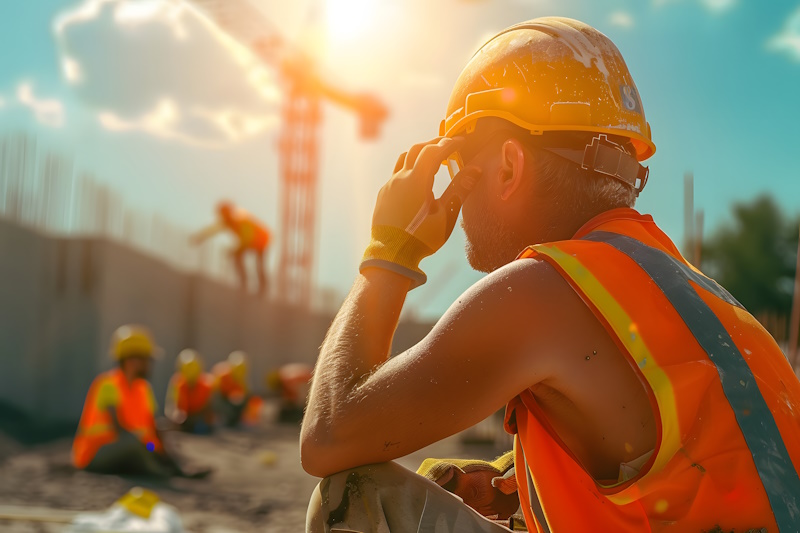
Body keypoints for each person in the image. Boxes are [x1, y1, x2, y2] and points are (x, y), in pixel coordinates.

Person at [301, 17, 800, 533]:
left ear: (509, 167)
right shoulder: (690, 291)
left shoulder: (540, 289)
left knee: (355, 493)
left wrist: (391, 250)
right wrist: (524, 483)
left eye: (458, 168)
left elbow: (328, 437)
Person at [72, 325, 201, 478]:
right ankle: (159, 472)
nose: (150, 365)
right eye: (147, 359)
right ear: (132, 361)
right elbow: (120, 431)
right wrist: (148, 449)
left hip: (131, 449)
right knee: (134, 443)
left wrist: (159, 451)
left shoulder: (144, 389)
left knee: (157, 444)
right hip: (94, 455)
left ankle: (178, 470)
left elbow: (152, 431)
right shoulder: (107, 385)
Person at [191, 201, 271, 297]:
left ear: (229, 213)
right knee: (239, 257)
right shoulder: (228, 222)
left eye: (224, 214)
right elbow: (212, 230)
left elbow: (247, 238)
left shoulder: (241, 220)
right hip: (250, 240)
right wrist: (200, 237)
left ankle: (261, 288)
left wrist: (235, 250)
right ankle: (244, 282)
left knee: (259, 264)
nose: (223, 217)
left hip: (261, 240)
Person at [165, 349, 215, 434]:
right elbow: (172, 405)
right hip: (183, 418)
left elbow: (210, 408)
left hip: (200, 418)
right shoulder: (177, 382)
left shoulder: (207, 384)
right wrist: (176, 417)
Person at [212, 351, 263, 427]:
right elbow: (214, 393)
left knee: (253, 401)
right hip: (222, 401)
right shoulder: (222, 375)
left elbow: (245, 395)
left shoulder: (242, 380)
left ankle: (245, 420)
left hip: (234, 403)